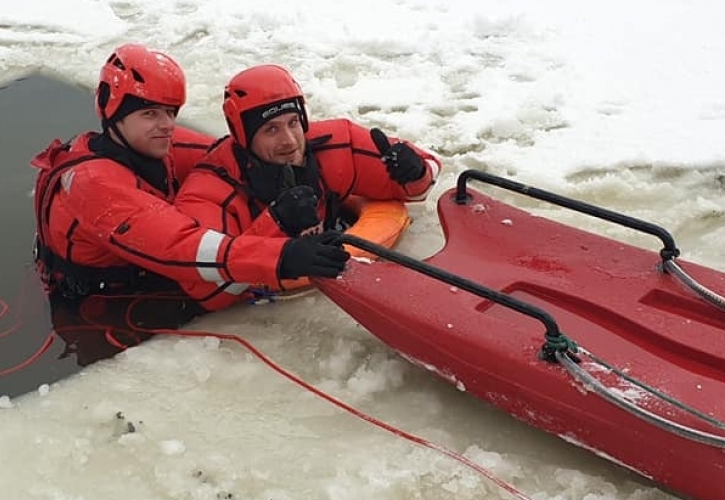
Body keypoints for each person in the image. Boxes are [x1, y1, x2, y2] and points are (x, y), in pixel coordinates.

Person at [30, 46, 349, 362]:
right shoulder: (95, 185)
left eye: (170, 111)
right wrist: (284, 253)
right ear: (112, 113)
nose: (166, 124)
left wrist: (299, 155)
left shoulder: (153, 144)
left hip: (146, 271)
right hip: (104, 305)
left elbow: (234, 156)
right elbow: (184, 247)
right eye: (150, 113)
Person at [174, 63, 441, 310]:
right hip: (272, 311)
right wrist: (277, 225)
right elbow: (208, 288)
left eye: (293, 123)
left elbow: (427, 174)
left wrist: (414, 172)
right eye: (271, 130)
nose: (289, 140)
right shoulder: (208, 190)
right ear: (243, 136)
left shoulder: (335, 144)